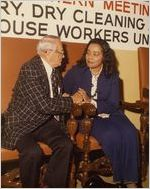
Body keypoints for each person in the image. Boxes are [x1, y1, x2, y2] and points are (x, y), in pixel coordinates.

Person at [2, 35, 83, 188]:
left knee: (65, 144)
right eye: (60, 52)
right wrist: (72, 100)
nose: (64, 56)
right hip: (21, 123)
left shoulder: (55, 71)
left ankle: (52, 185)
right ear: (47, 52)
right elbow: (45, 105)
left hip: (43, 122)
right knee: (33, 152)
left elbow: (54, 96)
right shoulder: (30, 68)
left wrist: (74, 96)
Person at [63, 38, 139, 187]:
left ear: (104, 57)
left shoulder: (112, 76)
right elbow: (62, 90)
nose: (90, 57)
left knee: (130, 132)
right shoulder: (76, 72)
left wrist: (91, 100)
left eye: (96, 54)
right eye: (88, 53)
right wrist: (70, 97)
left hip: (112, 114)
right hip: (88, 117)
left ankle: (131, 180)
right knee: (111, 134)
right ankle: (119, 177)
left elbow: (112, 104)